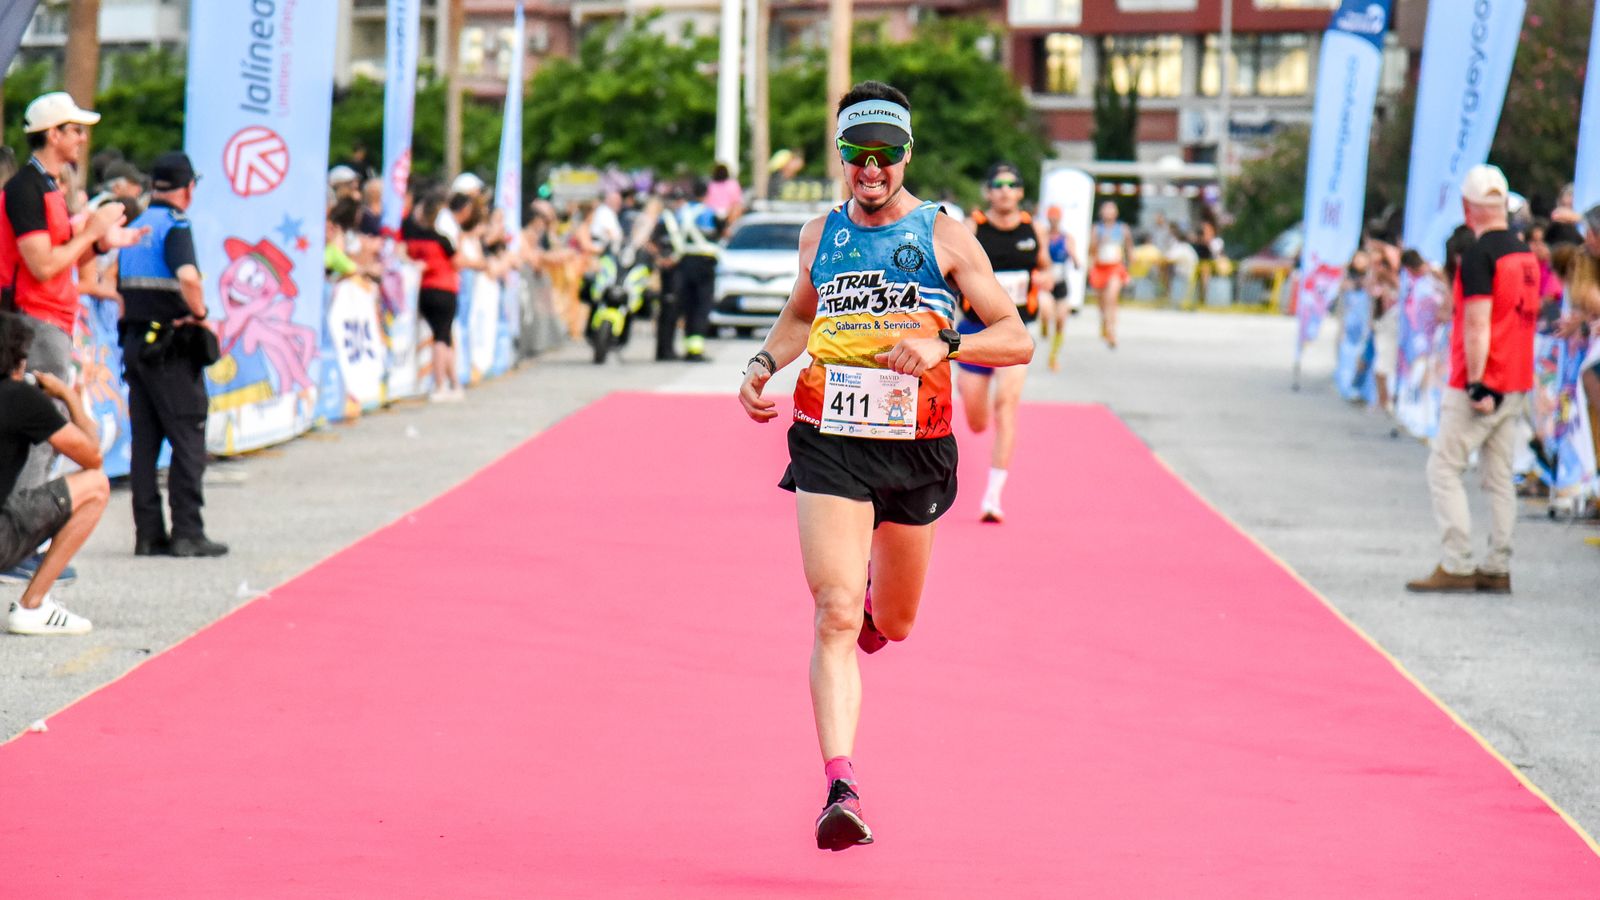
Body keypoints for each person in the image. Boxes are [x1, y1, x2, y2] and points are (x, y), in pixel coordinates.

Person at [737, 81, 1033, 851]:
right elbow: (801, 314)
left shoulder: (945, 234)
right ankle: (841, 786)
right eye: (856, 154)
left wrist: (945, 344)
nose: (871, 169)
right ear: (841, 156)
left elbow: (1017, 336)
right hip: (828, 438)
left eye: (885, 154)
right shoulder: (820, 234)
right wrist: (762, 363)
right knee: (834, 613)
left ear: (906, 154)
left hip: (916, 447)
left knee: (892, 623)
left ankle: (876, 608)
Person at [0, 92, 140, 584]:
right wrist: (91, 231)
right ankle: (17, 542)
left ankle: (23, 541)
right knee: (41, 430)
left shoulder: (47, 186)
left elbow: (62, 261)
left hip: (49, 319)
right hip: (35, 319)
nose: (82, 138)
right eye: (75, 129)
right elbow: (42, 265)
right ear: (53, 134)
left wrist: (100, 242)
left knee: (46, 430)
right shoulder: (27, 188)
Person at [1407, 165, 1539, 594]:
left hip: (1484, 377)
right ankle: (1498, 564)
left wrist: (1478, 382)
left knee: (1444, 467)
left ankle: (1457, 561)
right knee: (1499, 476)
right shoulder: (1525, 254)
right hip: (1517, 375)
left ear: (1468, 207)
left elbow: (1478, 323)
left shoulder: (1481, 255)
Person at [117, 152, 228, 558]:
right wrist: (200, 314)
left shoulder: (135, 226)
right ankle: (187, 531)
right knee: (187, 436)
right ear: (188, 188)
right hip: (170, 345)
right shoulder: (176, 225)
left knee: (146, 443)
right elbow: (188, 278)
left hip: (135, 343)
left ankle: (148, 534)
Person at [0, 311, 109, 634]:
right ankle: (32, 605)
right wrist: (68, 396)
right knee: (96, 485)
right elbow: (92, 457)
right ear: (21, 360)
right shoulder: (20, 397)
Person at [955, 162, 1053, 523]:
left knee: (1006, 405)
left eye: (1012, 184)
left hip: (1015, 330)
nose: (1005, 190)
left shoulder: (1033, 229)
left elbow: (1045, 266)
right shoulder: (973, 228)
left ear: (1021, 192)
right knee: (977, 420)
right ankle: (972, 400)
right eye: (998, 184)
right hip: (975, 331)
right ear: (988, 191)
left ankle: (993, 497)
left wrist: (1044, 279)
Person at [402, 189, 473, 402]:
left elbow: (406, 255)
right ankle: (440, 384)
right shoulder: (442, 240)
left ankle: (454, 384)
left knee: (444, 336)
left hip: (425, 291)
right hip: (444, 289)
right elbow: (458, 261)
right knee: (442, 338)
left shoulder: (413, 239)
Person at [673, 181, 720, 362]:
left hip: (685, 262)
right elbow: (717, 232)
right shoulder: (708, 213)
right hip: (704, 263)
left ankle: (688, 347)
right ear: (706, 194)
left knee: (688, 306)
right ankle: (696, 350)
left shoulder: (682, 212)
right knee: (702, 305)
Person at [1088, 200, 1131, 348]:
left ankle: (1111, 331)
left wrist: (1129, 269)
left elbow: (1129, 249)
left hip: (1115, 267)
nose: (1108, 212)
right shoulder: (1097, 229)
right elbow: (1091, 249)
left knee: (1111, 298)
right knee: (1102, 301)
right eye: (1106, 209)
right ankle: (1104, 322)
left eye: (1111, 209)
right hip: (1100, 267)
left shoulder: (1122, 229)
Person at [1041, 203, 1079, 371]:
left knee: (1061, 321)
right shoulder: (1043, 237)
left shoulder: (1067, 238)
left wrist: (1073, 256)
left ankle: (1053, 356)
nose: (1053, 221)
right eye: (1051, 218)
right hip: (1046, 282)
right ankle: (1044, 326)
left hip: (1061, 282)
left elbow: (1076, 261)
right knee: (1046, 310)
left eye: (1056, 218)